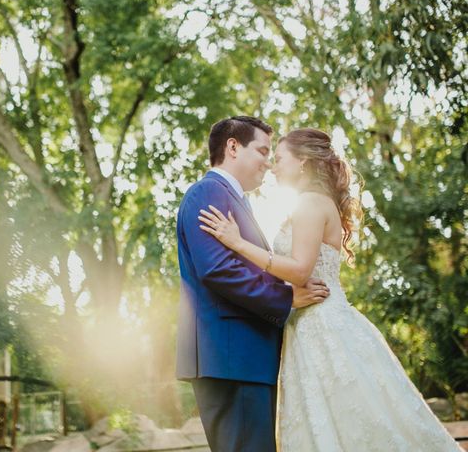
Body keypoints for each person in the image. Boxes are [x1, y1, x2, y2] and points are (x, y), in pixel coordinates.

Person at [199, 127, 461, 451]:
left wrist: (236, 242)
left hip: (320, 326)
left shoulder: (309, 202)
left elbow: (299, 269)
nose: (273, 167)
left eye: (279, 159)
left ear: (304, 162)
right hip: (309, 323)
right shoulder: (314, 202)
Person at [175, 117, 330, 452]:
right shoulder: (208, 192)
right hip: (233, 357)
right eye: (262, 150)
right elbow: (218, 270)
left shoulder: (234, 199)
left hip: (245, 359)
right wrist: (287, 297)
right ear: (233, 147)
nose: (267, 161)